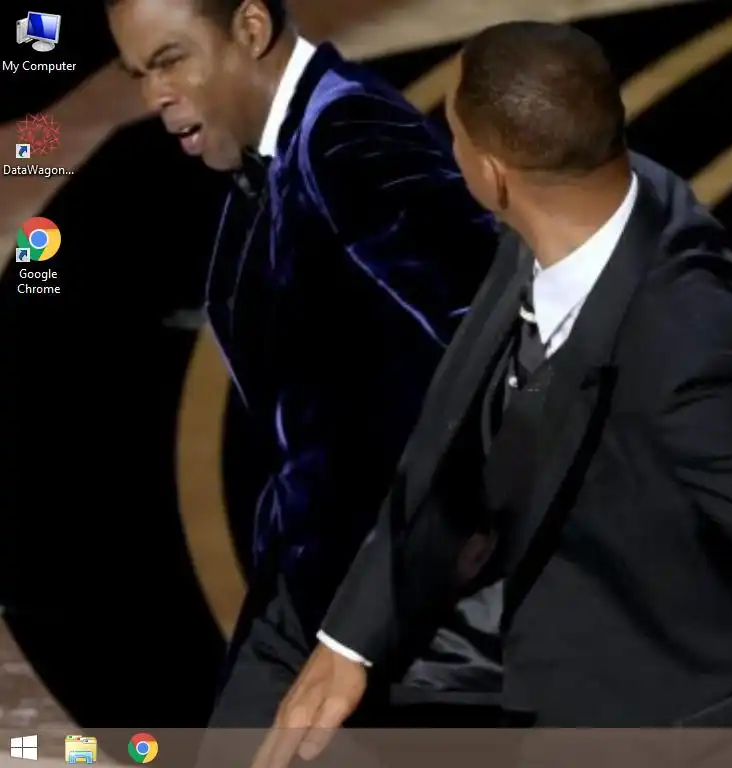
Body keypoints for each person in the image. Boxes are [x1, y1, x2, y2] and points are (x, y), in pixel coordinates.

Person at [253, 19, 732, 764]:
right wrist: (349, 641)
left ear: (490, 173)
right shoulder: (581, 203)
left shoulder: (690, 354)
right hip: (560, 646)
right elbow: (453, 429)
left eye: (451, 132)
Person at [105, 0, 497, 727]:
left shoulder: (351, 133)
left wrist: (407, 581)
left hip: (399, 621)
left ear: (251, 29)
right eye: (139, 74)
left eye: (170, 60)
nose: (155, 95)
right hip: (316, 590)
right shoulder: (286, 146)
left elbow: (489, 335)